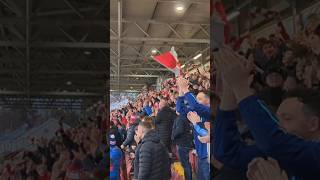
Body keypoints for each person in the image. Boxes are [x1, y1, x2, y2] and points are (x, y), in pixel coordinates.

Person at [214, 47, 320, 179]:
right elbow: (227, 152)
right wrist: (230, 89)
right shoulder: (278, 153)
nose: (278, 125)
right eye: (277, 119)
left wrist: (240, 86)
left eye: (287, 119)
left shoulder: (312, 153)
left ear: (313, 124)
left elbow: (273, 142)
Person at [171, 115, 193, 180]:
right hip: (185, 143)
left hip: (183, 144)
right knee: (185, 163)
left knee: (185, 164)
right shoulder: (182, 117)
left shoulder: (180, 118)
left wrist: (172, 136)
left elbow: (179, 130)